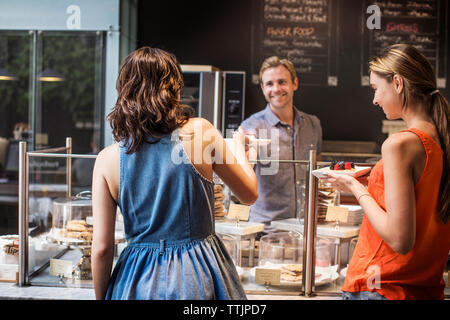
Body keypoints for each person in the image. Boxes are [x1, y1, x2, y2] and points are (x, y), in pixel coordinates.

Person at [91, 46, 258, 300]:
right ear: (174, 89)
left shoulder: (106, 159)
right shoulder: (201, 132)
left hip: (135, 281)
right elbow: (249, 194)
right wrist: (241, 153)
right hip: (200, 274)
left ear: (124, 91)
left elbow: (102, 249)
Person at [323, 44, 450, 300]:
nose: (375, 99)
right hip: (424, 289)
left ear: (398, 83)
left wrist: (355, 188)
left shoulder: (399, 144)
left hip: (383, 289)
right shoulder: (441, 139)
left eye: (376, 89)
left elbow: (400, 239)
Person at [239, 56, 322, 234]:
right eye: (269, 84)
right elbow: (243, 174)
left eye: (282, 82)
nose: (276, 89)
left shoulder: (313, 124)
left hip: (306, 228)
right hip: (266, 231)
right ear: (262, 88)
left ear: (295, 84)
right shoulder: (252, 127)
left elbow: (317, 172)